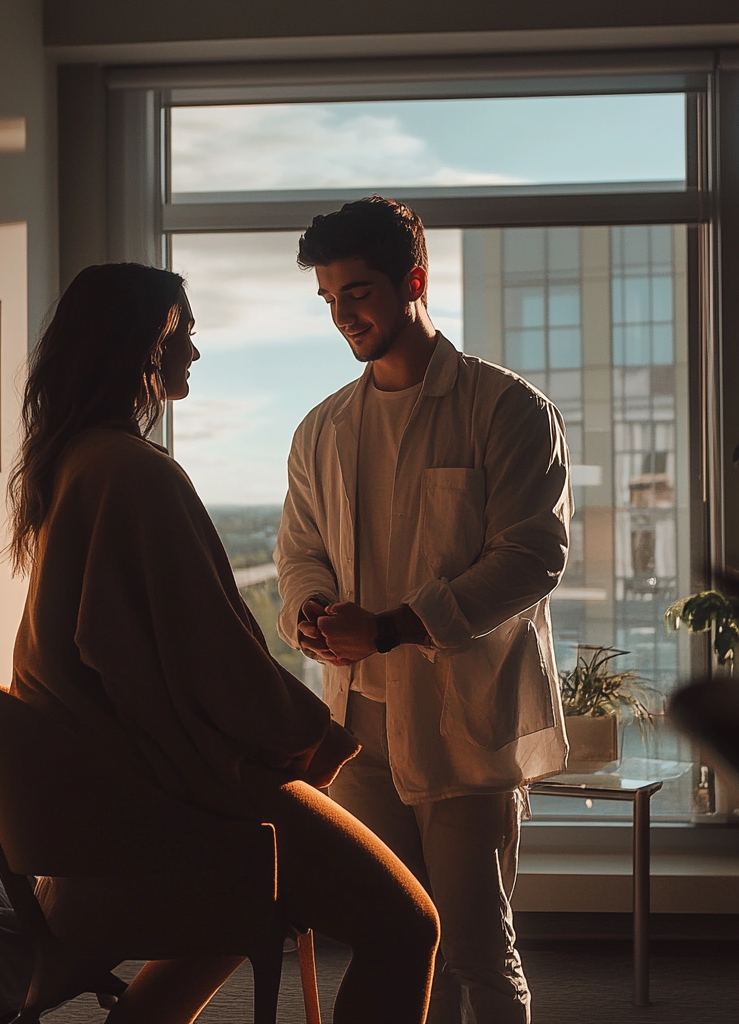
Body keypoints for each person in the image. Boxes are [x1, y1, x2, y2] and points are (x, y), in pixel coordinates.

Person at [7, 263, 438, 1024]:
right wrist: (314, 738)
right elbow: (217, 665)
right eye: (190, 334)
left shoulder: (75, 464)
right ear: (148, 343)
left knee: (250, 912)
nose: (197, 354)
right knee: (409, 924)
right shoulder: (137, 476)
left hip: (108, 783)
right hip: (166, 793)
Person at [275, 198, 572, 1024]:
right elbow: (299, 550)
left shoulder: (509, 411)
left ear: (415, 280)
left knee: (477, 947)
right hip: (361, 729)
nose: (344, 316)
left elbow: (532, 558)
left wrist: (396, 626)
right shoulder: (321, 430)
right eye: (331, 300)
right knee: (394, 941)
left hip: (465, 728)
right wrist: (309, 610)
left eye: (359, 294)